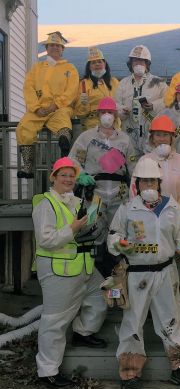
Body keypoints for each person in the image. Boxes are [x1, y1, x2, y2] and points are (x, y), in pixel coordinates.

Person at [107, 158, 180, 389]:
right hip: (137, 275)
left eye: (153, 180)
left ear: (159, 183)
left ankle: (178, 367)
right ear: (136, 184)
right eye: (144, 180)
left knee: (172, 320)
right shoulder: (127, 209)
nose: (149, 185)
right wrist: (120, 243)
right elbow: (113, 237)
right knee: (133, 323)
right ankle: (130, 372)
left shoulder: (172, 207)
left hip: (166, 272)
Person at [32, 157, 107, 389]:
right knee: (55, 321)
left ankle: (84, 332)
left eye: (71, 176)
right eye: (63, 175)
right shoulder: (45, 204)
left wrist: (95, 204)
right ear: (53, 177)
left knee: (101, 295)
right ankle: (47, 372)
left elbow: (87, 226)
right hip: (58, 270)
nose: (68, 179)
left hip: (82, 266)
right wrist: (72, 228)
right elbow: (46, 240)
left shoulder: (75, 201)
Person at [69, 96, 137, 276]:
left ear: (116, 115)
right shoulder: (87, 137)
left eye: (110, 112)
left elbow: (134, 169)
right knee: (92, 231)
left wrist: (135, 194)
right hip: (94, 194)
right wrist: (80, 174)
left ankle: (118, 279)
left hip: (119, 194)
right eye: (103, 112)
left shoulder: (125, 140)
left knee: (119, 233)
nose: (107, 115)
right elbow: (73, 160)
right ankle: (93, 277)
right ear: (98, 114)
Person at [16, 31, 79, 178]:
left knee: (63, 119)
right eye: (51, 45)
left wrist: (56, 104)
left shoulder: (70, 69)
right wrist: (36, 108)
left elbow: (72, 91)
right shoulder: (36, 68)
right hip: (39, 109)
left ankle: (64, 148)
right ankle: (28, 166)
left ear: (63, 49)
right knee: (24, 126)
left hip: (60, 108)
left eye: (58, 46)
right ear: (46, 48)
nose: (55, 48)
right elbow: (28, 88)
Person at [115, 45, 167, 157]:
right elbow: (116, 104)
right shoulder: (123, 83)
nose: (138, 64)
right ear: (131, 64)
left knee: (152, 165)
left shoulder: (159, 82)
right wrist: (121, 110)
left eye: (141, 61)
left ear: (147, 63)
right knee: (131, 163)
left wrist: (154, 105)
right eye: (135, 61)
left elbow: (168, 101)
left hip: (151, 134)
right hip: (129, 132)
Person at [130, 114, 180, 202]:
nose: (162, 139)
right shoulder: (144, 161)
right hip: (150, 213)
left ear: (171, 138)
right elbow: (134, 190)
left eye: (165, 135)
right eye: (158, 135)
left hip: (178, 212)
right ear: (152, 138)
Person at [74, 47, 120, 130]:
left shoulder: (114, 82)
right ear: (89, 66)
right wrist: (84, 104)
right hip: (94, 124)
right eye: (93, 63)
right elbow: (80, 114)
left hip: (114, 125)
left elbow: (121, 103)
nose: (97, 64)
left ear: (105, 64)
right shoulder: (84, 83)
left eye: (100, 61)